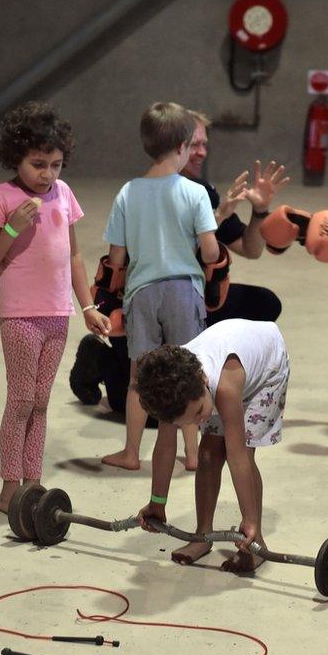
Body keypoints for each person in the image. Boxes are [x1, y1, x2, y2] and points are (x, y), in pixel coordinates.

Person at [69, 110, 287, 418]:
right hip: (143, 301)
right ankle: (101, 358)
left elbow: (250, 249)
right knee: (145, 406)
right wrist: (101, 307)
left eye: (204, 144)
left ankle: (219, 374)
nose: (201, 152)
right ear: (178, 145)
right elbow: (117, 263)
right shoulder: (147, 193)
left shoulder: (199, 193)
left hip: (186, 296)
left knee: (265, 304)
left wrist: (259, 211)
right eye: (195, 143)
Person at [0, 101, 109, 512]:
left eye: (56, 164)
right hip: (19, 316)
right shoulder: (2, 196)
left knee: (41, 401)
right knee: (20, 400)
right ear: (15, 157)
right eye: (37, 164)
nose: (47, 174)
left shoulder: (63, 194)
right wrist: (13, 225)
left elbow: (73, 257)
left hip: (57, 315)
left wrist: (87, 307)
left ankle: (33, 481)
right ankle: (9, 484)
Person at [99, 102, 219, 471]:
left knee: (141, 376)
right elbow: (211, 251)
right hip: (184, 290)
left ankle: (132, 452)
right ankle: (195, 454)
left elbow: (116, 258)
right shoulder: (194, 192)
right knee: (190, 371)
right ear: (184, 145)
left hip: (143, 293)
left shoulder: (127, 193)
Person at [133, 319, 289, 573]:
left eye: (198, 413)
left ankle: (257, 540)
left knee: (243, 451)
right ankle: (202, 536)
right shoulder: (171, 392)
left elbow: (238, 458)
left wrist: (249, 520)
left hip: (266, 370)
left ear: (202, 379)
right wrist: (157, 502)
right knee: (207, 454)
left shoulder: (224, 387)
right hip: (226, 367)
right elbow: (165, 449)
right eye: (189, 423)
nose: (200, 421)